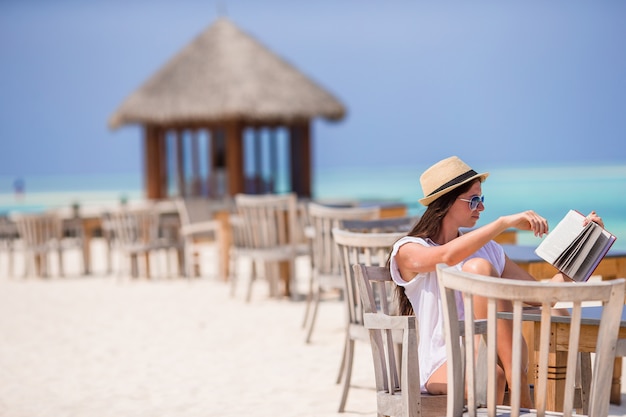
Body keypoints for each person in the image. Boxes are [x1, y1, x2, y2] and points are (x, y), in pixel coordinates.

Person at [389, 155, 603, 407]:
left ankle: (516, 379)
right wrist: (503, 223)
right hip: (444, 362)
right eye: (474, 200)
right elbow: (445, 256)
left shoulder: (488, 250)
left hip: (499, 356)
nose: (481, 208)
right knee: (491, 374)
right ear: (445, 203)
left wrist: (586, 243)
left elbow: (542, 296)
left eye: (482, 200)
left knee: (481, 271)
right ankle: (519, 385)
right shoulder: (408, 249)